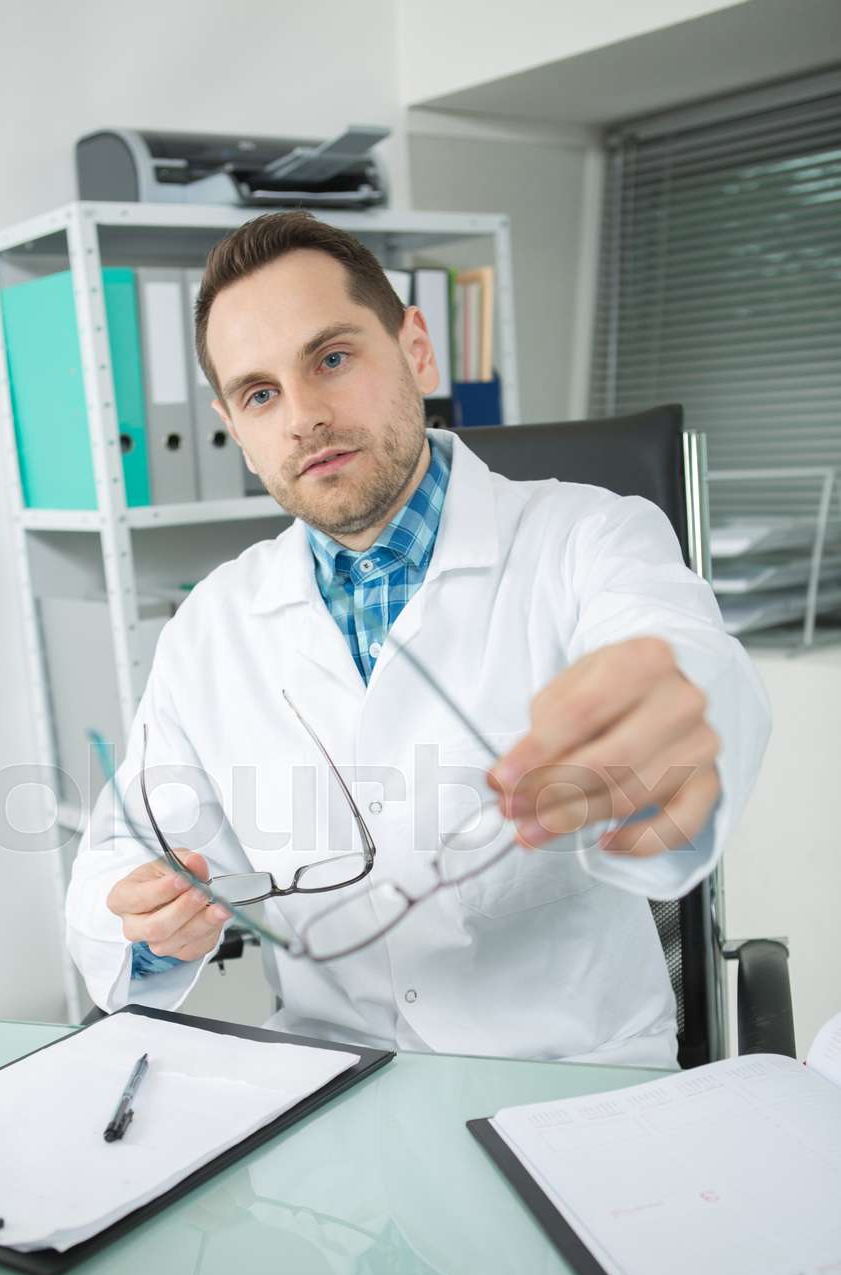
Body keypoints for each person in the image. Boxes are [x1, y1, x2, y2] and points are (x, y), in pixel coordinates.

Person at [66, 211, 770, 1068]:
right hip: (334, 1083)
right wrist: (139, 916)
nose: (302, 418)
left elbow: (680, 655)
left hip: (575, 1077)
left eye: (331, 359)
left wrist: (671, 705)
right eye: (260, 394)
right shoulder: (210, 625)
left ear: (416, 349)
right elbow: (123, 852)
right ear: (234, 428)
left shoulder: (589, 538)